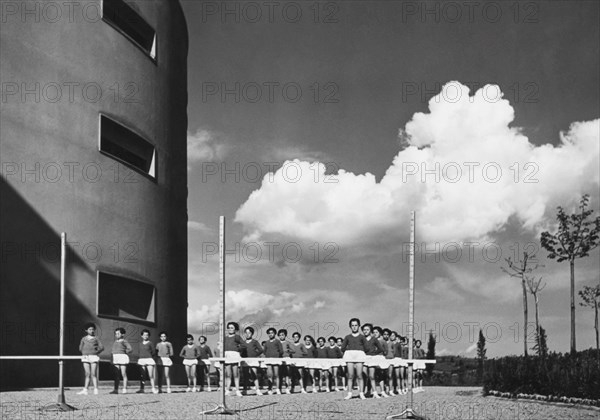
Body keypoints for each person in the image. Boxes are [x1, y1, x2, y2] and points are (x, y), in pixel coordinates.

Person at [341, 318, 367, 400]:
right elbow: (342, 348)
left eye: (356, 325)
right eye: (352, 326)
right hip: (350, 356)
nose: (354, 327)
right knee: (350, 375)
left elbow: (366, 347)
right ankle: (349, 393)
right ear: (350, 327)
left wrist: (360, 351)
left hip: (359, 355)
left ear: (359, 326)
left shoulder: (362, 337)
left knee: (359, 375)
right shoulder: (347, 337)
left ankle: (361, 393)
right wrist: (350, 352)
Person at [77, 323, 104, 395]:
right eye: (90, 329)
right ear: (86, 330)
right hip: (85, 357)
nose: (92, 331)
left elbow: (101, 347)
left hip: (93, 357)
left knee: (93, 374)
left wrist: (95, 351)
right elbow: (80, 348)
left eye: (93, 329)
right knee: (87, 374)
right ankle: (85, 390)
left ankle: (96, 389)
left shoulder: (96, 338)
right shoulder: (83, 339)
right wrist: (84, 352)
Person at [363, 323, 386, 398]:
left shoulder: (374, 339)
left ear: (370, 331)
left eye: (367, 330)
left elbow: (381, 349)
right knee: (365, 375)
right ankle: (365, 392)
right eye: (364, 330)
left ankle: (375, 392)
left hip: (372, 358)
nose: (365, 331)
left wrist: (373, 353)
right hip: (364, 358)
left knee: (372, 376)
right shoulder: (361, 338)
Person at [242, 326, 264, 395]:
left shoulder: (255, 342)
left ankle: (257, 390)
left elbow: (261, 350)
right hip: (245, 360)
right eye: (246, 332)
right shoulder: (243, 342)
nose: (247, 334)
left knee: (254, 375)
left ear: (252, 334)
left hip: (253, 360)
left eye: (249, 333)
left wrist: (255, 355)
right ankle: (244, 390)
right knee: (245, 375)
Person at [224, 322, 243, 397]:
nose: (230, 329)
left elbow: (243, 345)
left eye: (232, 328)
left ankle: (238, 390)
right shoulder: (225, 337)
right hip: (227, 355)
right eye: (229, 328)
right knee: (228, 374)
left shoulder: (237, 337)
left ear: (235, 329)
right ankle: (227, 390)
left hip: (234, 355)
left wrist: (237, 349)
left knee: (236, 374)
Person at [110, 327, 132, 394]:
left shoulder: (124, 341)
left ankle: (124, 389)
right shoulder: (115, 342)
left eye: (118, 333)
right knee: (116, 374)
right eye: (116, 334)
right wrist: (112, 359)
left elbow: (130, 349)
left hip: (122, 357)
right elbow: (113, 351)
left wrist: (124, 352)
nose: (117, 335)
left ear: (122, 334)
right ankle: (116, 389)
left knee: (123, 373)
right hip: (116, 358)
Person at [263, 327, 284, 395]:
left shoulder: (277, 341)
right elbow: (264, 351)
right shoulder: (267, 342)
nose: (270, 334)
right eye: (269, 333)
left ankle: (278, 389)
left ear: (274, 334)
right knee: (269, 375)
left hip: (276, 359)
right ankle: (270, 389)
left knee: (276, 374)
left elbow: (281, 351)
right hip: (268, 359)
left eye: (272, 333)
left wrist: (276, 355)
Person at [137, 329, 158, 394]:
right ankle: (142, 389)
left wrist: (149, 356)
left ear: (148, 336)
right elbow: (139, 352)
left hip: (149, 359)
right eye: (144, 335)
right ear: (141, 336)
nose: (145, 336)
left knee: (150, 375)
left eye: (147, 335)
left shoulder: (150, 343)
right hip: (141, 360)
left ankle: (153, 388)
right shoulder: (140, 344)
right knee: (142, 375)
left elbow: (153, 352)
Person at [278, 329, 294, 394]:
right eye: (280, 335)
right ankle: (279, 389)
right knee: (280, 374)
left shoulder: (288, 342)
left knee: (287, 374)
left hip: (286, 358)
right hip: (279, 359)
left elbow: (293, 350)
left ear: (285, 335)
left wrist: (288, 351)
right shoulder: (277, 342)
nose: (281, 336)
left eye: (283, 335)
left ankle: (287, 388)